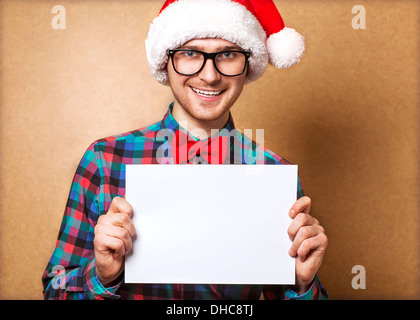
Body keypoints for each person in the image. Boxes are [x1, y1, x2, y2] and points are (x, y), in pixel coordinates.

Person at [42, 0, 328, 300]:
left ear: (249, 64)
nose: (210, 75)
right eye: (190, 53)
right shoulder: (105, 160)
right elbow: (55, 290)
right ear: (166, 61)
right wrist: (101, 276)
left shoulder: (274, 175)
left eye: (228, 54)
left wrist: (302, 285)